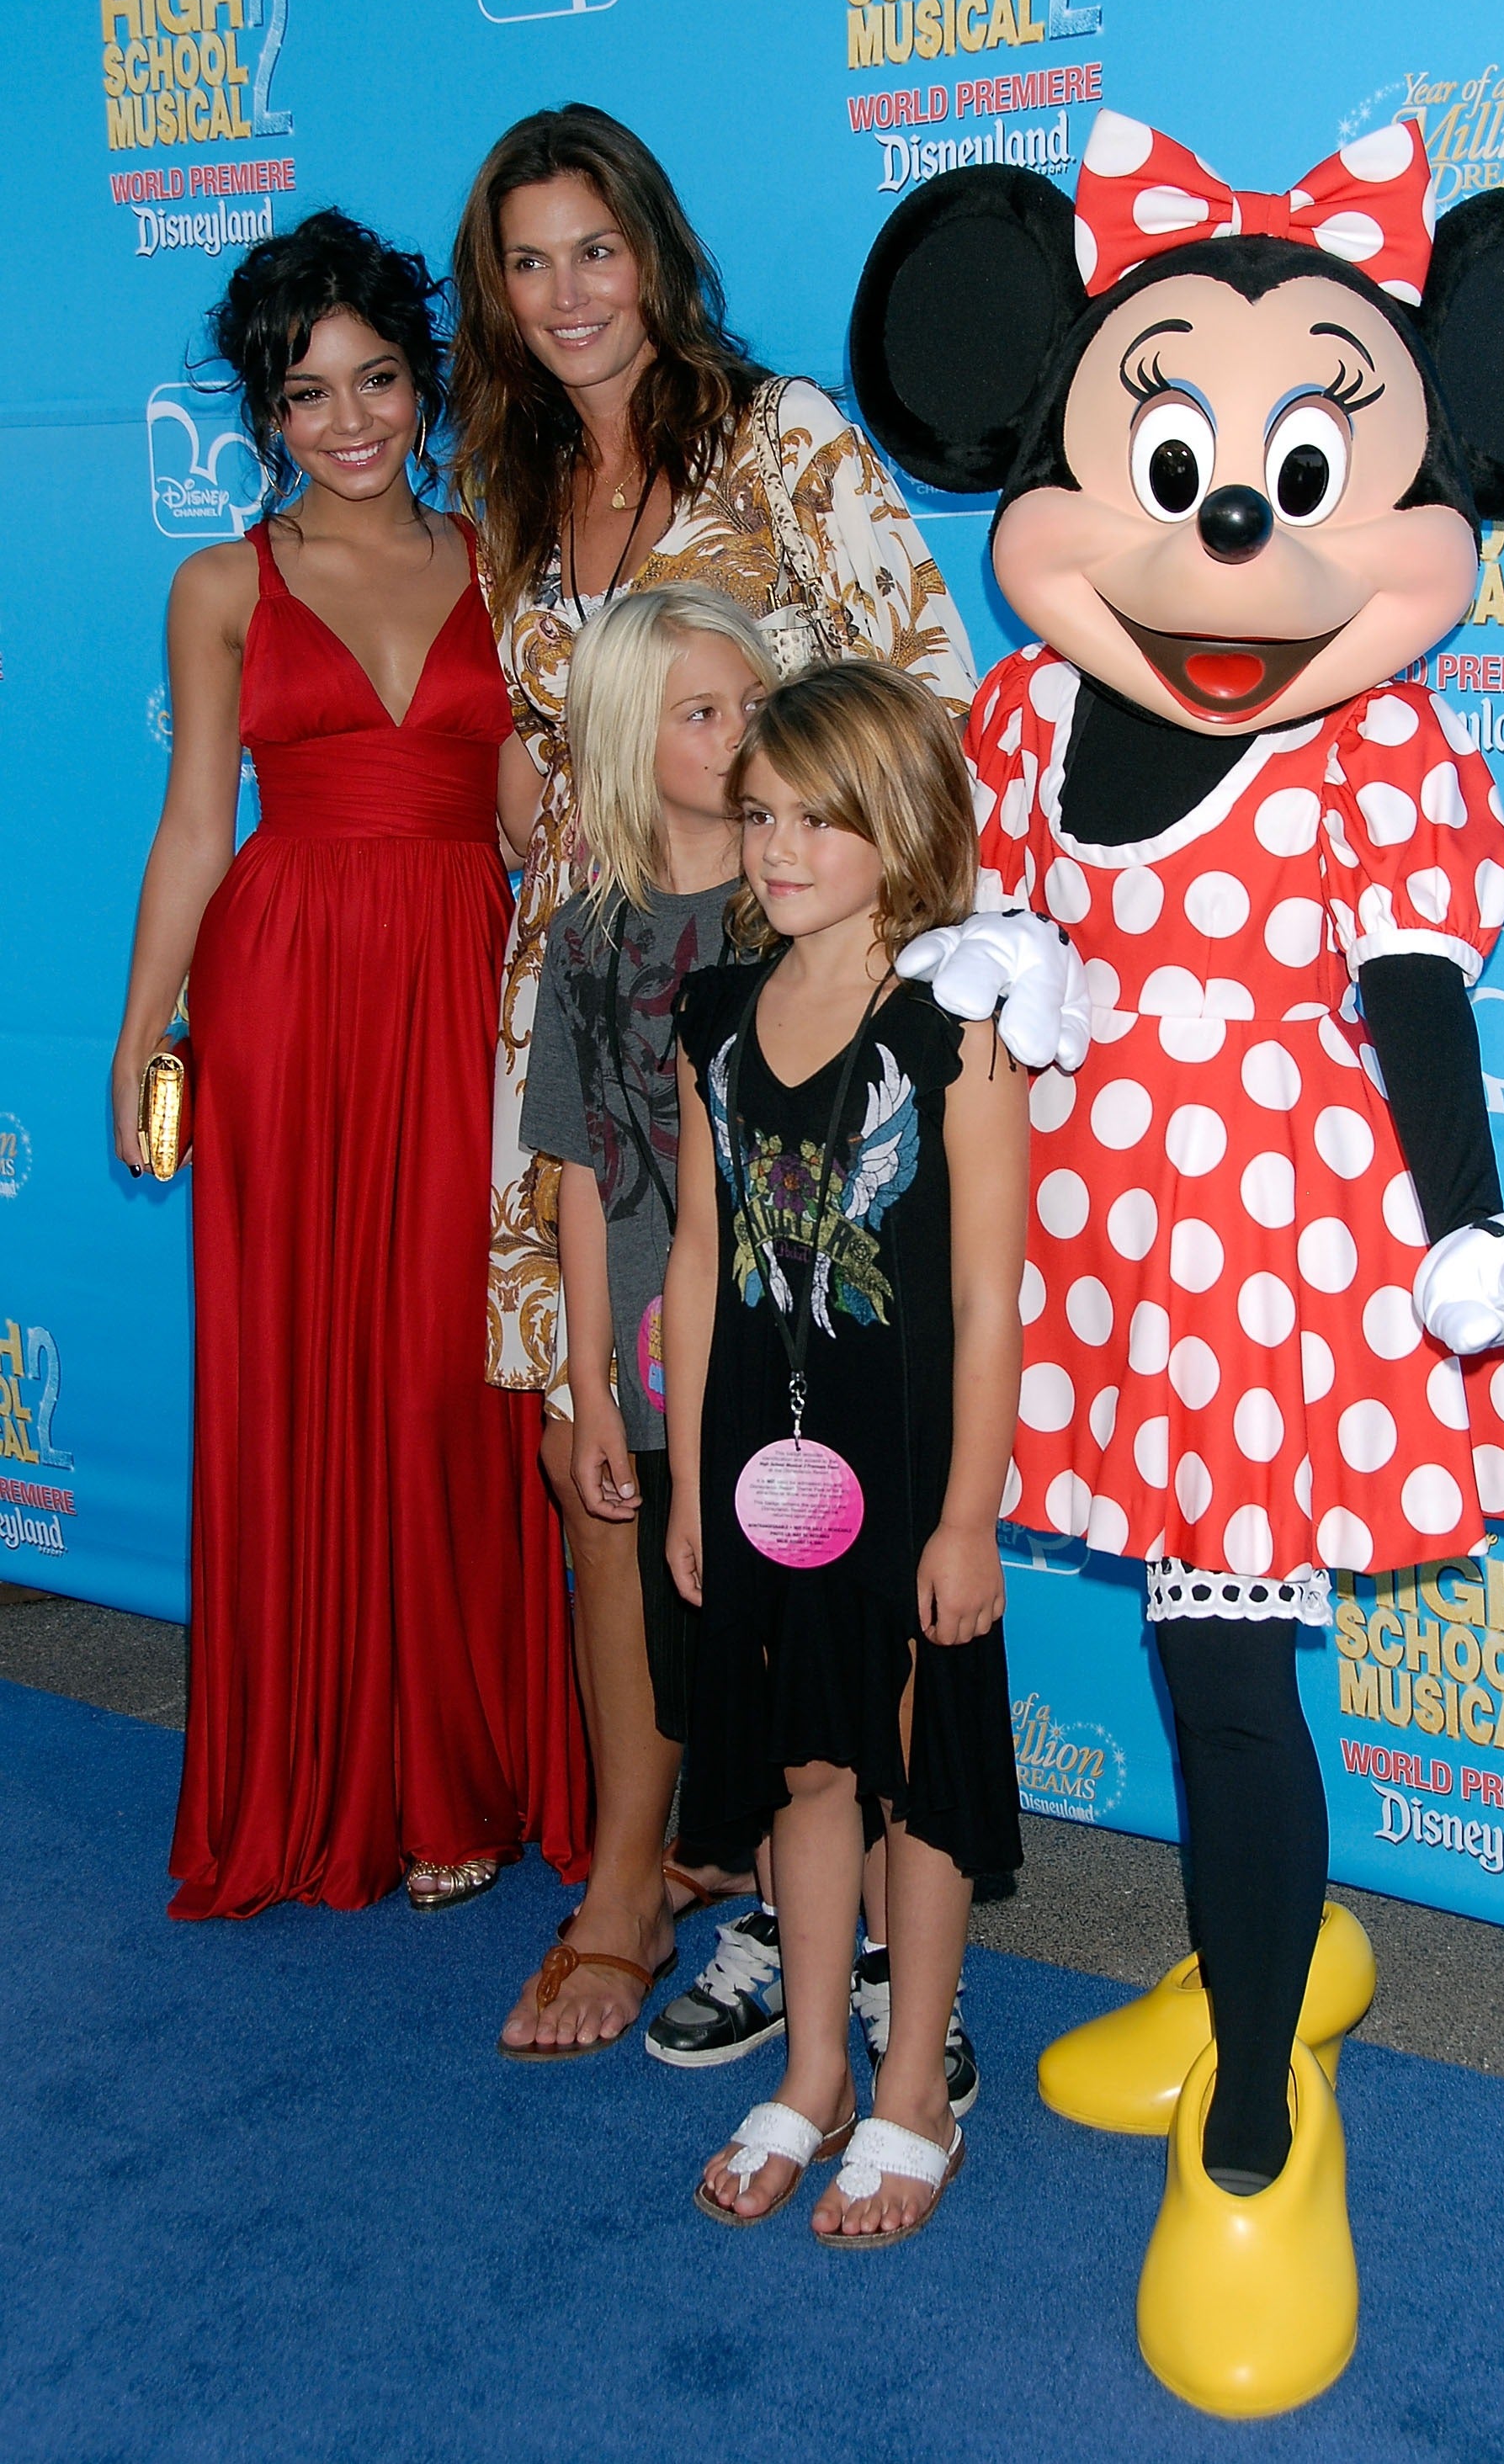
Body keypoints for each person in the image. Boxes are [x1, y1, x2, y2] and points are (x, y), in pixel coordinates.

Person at [849, 121, 1504, 2400]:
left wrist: (1476, 1224)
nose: (1233, 530)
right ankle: (1277, 1966)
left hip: (1283, 1286)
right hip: (1104, 1273)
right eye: (1178, 456)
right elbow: (983, 975)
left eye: (1304, 472)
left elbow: (1413, 1006)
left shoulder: (1378, 754)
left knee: (1227, 1688)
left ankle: (1254, 2111)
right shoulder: (1017, 725)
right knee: (1198, 1681)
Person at [449, 101, 981, 2052]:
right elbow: (532, 746)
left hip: (773, 1006)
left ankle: (811, 1898)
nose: (566, 292)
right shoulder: (506, 486)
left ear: (655, 255)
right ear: (492, 297)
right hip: (577, 992)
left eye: (595, 248)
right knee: (597, 1448)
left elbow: (918, 689)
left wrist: (858, 982)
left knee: (798, 1444)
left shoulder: (786, 440)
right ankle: (628, 1865)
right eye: (526, 260)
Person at [111, 210, 589, 1918]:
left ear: (425, 383)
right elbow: (191, 829)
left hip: (465, 983)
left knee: (453, 1375)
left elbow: (533, 819)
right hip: (287, 1000)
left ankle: (457, 1767)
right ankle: (334, 1778)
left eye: (376, 377)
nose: (348, 418)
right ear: (263, 413)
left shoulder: (498, 559)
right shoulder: (224, 582)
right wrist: (137, 1033)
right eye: (305, 392)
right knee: (313, 1372)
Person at [500, 586, 980, 2116]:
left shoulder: (876, 964)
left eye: (750, 712)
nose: (749, 773)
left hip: (856, 1390)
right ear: (635, 739)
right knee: (746, 1677)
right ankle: (790, 1938)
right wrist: (594, 1382)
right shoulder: (613, 943)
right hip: (685, 1378)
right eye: (707, 721)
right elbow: (591, 1178)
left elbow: (969, 1261)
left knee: (876, 1700)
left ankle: (901, 1995)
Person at [667, 661, 1028, 2242]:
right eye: (761, 816)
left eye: (823, 817)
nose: (783, 848)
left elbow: (989, 1290)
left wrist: (967, 1515)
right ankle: (813, 2069)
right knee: (800, 1758)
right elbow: (692, 1258)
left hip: (901, 1463)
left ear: (906, 822)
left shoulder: (962, 1023)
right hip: (755, 1462)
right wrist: (685, 1485)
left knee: (908, 1764)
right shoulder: (714, 1013)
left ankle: (913, 2093)